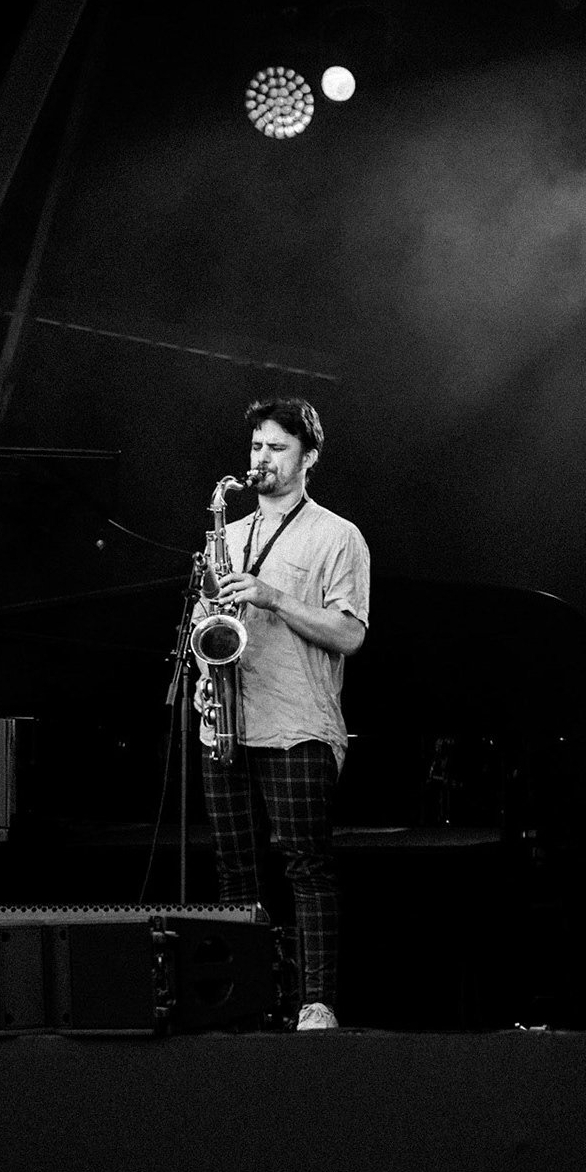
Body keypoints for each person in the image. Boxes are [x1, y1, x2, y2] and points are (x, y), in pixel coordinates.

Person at [197, 397, 370, 1031]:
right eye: (256, 447)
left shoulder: (337, 535)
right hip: (227, 720)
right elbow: (207, 627)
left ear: (308, 458)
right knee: (234, 867)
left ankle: (315, 1002)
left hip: (297, 724)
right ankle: (242, 999)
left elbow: (349, 634)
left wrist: (270, 596)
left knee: (306, 864)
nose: (261, 459)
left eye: (276, 448)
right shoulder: (229, 535)